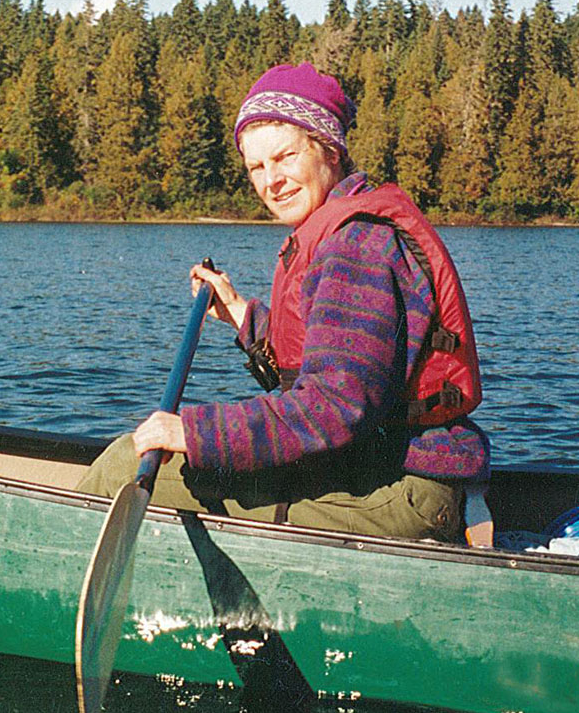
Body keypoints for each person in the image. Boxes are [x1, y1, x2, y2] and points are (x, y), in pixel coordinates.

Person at [77, 62, 488, 542]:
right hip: (377, 469)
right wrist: (240, 315)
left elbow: (334, 406)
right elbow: (324, 366)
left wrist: (193, 433)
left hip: (401, 491)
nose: (271, 180)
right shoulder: (343, 230)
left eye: (285, 157)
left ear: (329, 150)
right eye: (257, 166)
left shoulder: (356, 245)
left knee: (123, 466)